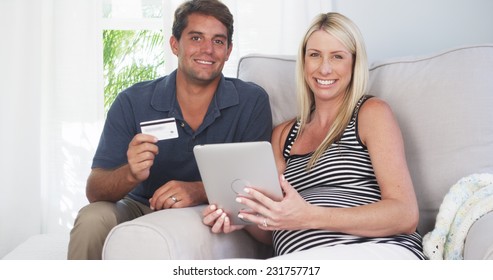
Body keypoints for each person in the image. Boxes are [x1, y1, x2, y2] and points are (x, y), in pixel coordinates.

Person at [202, 12, 425, 260]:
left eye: (337, 56)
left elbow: (405, 215)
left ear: (354, 63)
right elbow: (274, 225)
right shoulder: (282, 136)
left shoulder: (371, 114)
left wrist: (310, 216)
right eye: (315, 55)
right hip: (299, 262)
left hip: (373, 252)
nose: (324, 68)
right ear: (304, 61)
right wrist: (243, 220)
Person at [68, 0, 272, 260]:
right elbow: (95, 191)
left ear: (229, 50)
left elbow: (257, 187)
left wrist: (198, 190)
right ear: (175, 44)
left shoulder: (251, 101)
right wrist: (130, 173)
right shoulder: (133, 101)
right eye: (196, 38)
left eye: (218, 41)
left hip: (214, 213)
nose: (208, 49)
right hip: (141, 206)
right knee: (92, 218)